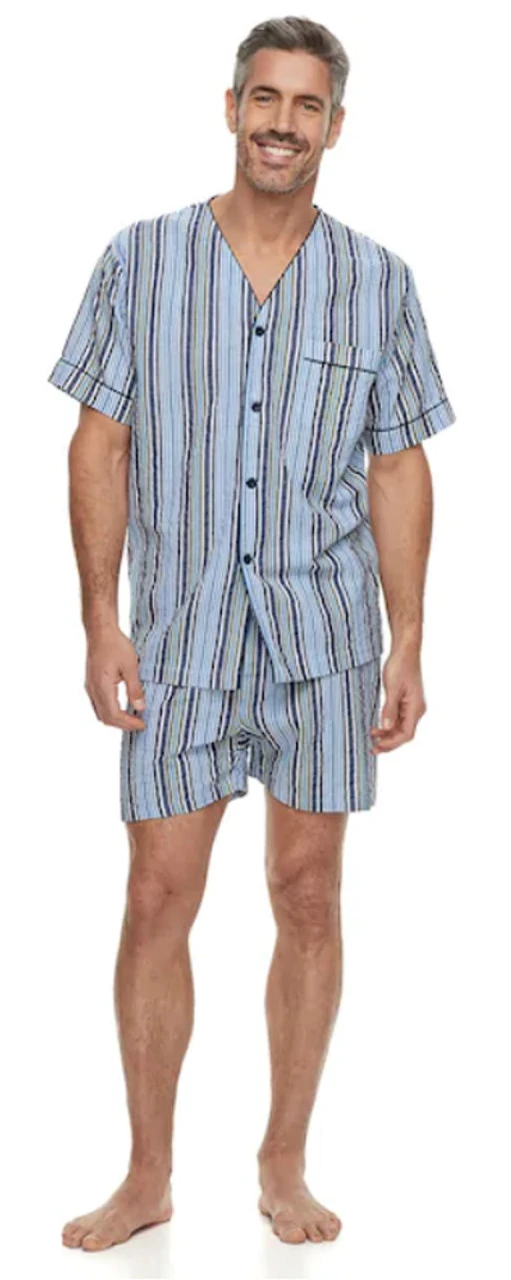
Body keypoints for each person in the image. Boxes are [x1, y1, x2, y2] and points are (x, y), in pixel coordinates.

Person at [47, 15, 456, 1252]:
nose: (283, 123)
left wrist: (407, 638)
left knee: (309, 890)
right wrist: (100, 619)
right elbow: (99, 441)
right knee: (155, 892)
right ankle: (147, 1172)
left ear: (337, 126)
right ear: (230, 109)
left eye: (307, 105)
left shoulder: (378, 281)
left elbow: (398, 465)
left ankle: (283, 1159)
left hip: (323, 638)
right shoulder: (141, 259)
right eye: (264, 99)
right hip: (180, 638)